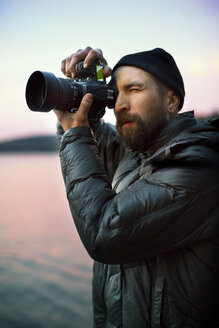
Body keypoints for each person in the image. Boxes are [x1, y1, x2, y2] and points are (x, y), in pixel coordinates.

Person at [54, 46, 219, 328]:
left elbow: (104, 232)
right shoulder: (136, 155)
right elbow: (94, 149)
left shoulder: (199, 167)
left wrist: (75, 135)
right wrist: (82, 94)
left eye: (134, 89)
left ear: (171, 101)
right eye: (116, 94)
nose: (119, 105)